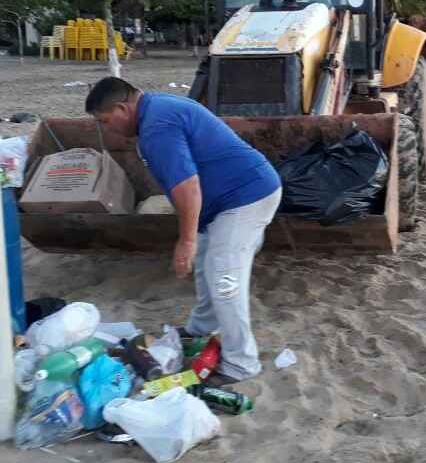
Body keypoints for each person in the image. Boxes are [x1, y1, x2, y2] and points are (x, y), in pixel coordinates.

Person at [85, 77, 281, 384]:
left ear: (123, 108)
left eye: (106, 121)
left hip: (245, 198)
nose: (107, 129)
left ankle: (241, 364)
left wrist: (186, 241)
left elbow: (188, 187)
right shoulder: (158, 108)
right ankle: (200, 329)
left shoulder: (156, 127)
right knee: (208, 267)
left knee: (224, 278)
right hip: (224, 202)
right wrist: (195, 238)